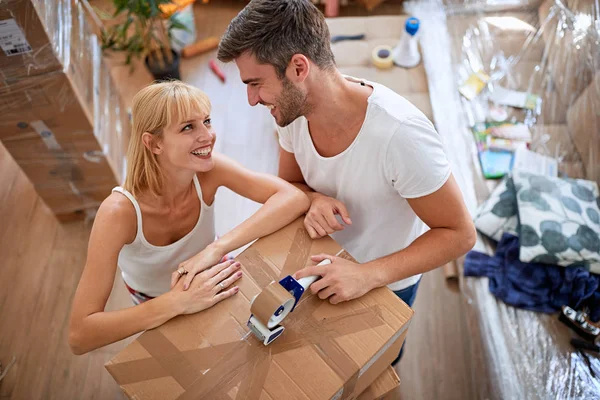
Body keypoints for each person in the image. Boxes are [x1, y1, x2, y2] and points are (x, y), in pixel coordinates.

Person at [217, 0, 477, 364]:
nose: (250, 100)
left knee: (377, 368)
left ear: (298, 68)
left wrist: (366, 276)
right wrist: (312, 199)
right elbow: (290, 185)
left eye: (255, 83)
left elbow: (460, 234)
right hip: (316, 265)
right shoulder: (290, 113)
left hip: (384, 282)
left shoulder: (401, 137)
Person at [68, 81, 310, 355]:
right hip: (158, 301)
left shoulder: (208, 170)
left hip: (214, 270)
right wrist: (179, 302)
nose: (207, 135)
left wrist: (216, 249)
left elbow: (294, 198)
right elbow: (80, 335)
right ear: (154, 143)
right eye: (188, 127)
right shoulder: (117, 213)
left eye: (206, 121)